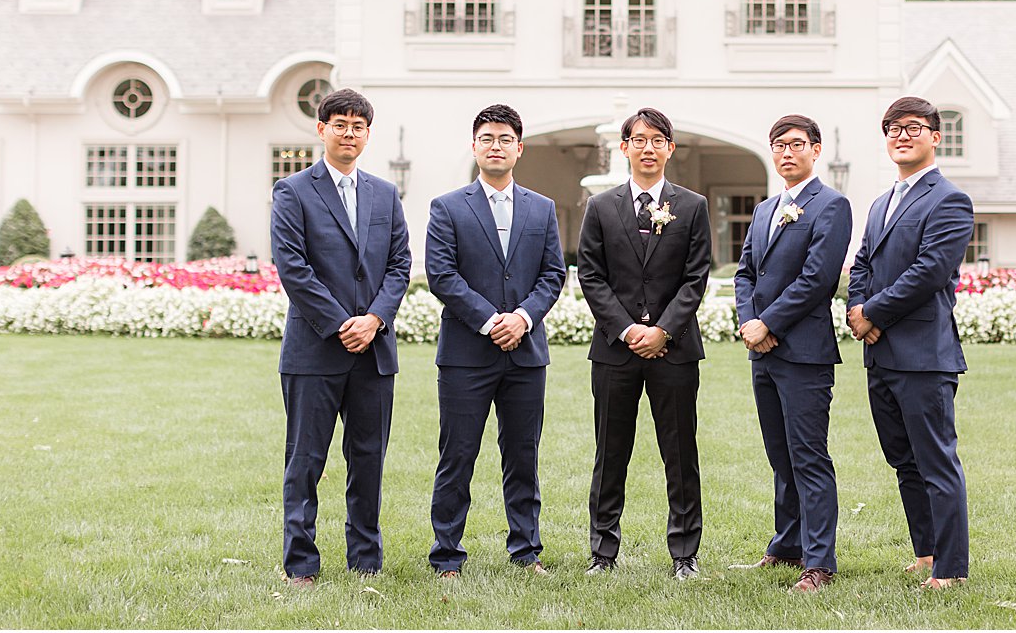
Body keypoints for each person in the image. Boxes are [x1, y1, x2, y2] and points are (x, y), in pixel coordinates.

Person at [270, 88, 411, 586]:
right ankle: (301, 563)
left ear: (368, 134)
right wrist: (339, 324)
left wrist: (373, 320)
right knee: (305, 460)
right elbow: (293, 266)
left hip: (374, 351)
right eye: (340, 124)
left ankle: (365, 559)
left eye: (358, 126)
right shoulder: (292, 192)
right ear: (321, 129)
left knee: (368, 458)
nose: (349, 133)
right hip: (314, 349)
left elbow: (399, 266)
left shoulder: (385, 194)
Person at [423, 104, 567, 578]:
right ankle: (447, 554)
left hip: (526, 355)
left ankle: (526, 552)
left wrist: (523, 318)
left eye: (505, 139)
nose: (496, 146)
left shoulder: (542, 208)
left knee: (522, 455)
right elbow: (442, 275)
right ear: (474, 147)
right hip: (467, 354)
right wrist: (490, 321)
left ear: (519, 148)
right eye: (487, 138)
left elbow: (553, 274)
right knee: (457, 454)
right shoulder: (447, 207)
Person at [576, 107, 712, 579]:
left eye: (658, 140)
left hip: (675, 350)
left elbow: (696, 277)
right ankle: (603, 552)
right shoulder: (600, 207)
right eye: (639, 139)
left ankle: (685, 554)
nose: (648, 147)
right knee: (610, 451)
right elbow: (589, 274)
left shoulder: (692, 206)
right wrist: (628, 329)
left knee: (680, 452)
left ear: (670, 148)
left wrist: (663, 330)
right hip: (615, 351)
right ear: (625, 148)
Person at [846, 95, 975, 589]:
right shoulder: (881, 203)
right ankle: (926, 552)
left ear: (935, 137)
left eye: (914, 127)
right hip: (880, 354)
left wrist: (873, 312)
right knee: (904, 461)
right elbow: (863, 264)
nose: (902, 135)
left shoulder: (949, 199)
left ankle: (952, 569)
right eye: (893, 128)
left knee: (936, 461)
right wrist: (859, 310)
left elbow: (929, 272)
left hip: (924, 355)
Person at [733, 114, 852, 593]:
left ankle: (819, 562)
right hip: (763, 352)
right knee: (779, 455)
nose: (786, 152)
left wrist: (769, 322)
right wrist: (749, 322)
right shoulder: (764, 210)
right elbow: (745, 273)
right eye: (779, 145)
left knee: (808, 456)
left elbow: (818, 280)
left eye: (796, 144)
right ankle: (787, 546)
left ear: (815, 149)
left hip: (804, 353)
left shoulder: (831, 205)